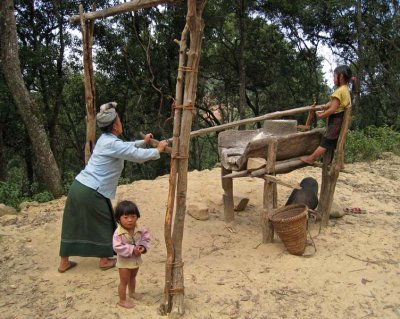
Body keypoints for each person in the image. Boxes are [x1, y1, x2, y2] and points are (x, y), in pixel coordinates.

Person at [58, 102, 167, 273]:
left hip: (78, 187)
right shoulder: (112, 143)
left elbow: (126, 148)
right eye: (120, 121)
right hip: (92, 191)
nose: (120, 123)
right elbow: (135, 156)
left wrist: (143, 142)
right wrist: (157, 151)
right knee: (106, 222)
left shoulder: (106, 140)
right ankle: (104, 260)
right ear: (116, 125)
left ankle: (64, 262)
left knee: (72, 223)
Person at [300, 65, 352, 165]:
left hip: (336, 121)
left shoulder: (339, 91)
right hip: (340, 121)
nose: (333, 79)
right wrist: (325, 106)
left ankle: (311, 158)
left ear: (340, 77)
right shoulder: (345, 90)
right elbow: (333, 103)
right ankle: (341, 164)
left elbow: (333, 108)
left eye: (334, 76)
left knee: (326, 142)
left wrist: (322, 115)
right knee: (338, 143)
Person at [113, 200, 150, 308]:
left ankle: (132, 292)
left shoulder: (140, 229)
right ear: (119, 218)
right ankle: (122, 300)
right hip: (124, 261)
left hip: (136, 259)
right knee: (124, 281)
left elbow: (145, 239)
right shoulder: (118, 233)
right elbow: (116, 247)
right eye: (125, 217)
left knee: (133, 277)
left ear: (137, 217)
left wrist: (142, 247)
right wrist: (131, 249)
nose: (130, 220)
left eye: (133, 216)